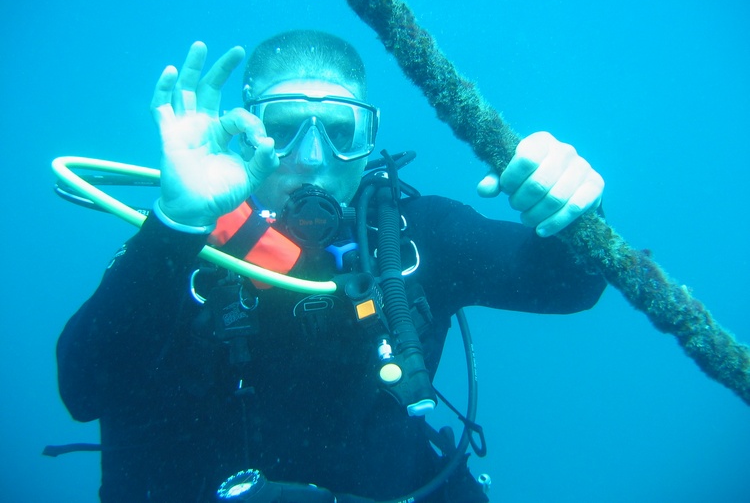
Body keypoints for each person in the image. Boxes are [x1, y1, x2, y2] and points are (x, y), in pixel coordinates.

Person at [57, 30, 606, 502]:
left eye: (341, 133)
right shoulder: (183, 251)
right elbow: (82, 390)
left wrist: (573, 209)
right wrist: (175, 225)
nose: (314, 157)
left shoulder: (415, 237)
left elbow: (565, 287)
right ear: (247, 127)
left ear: (370, 139)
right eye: (286, 127)